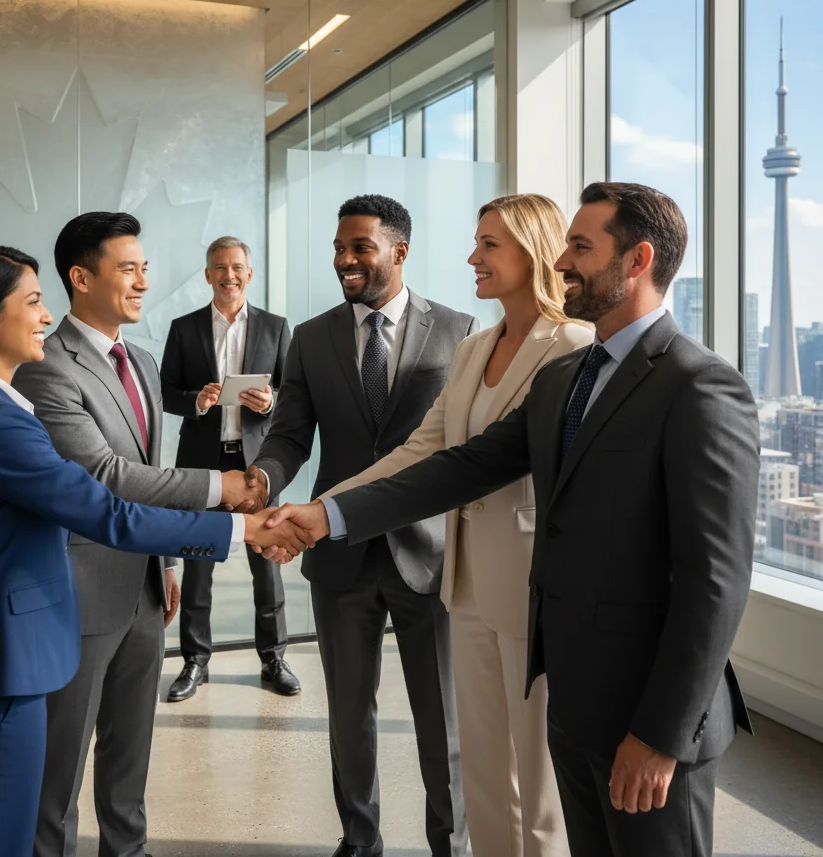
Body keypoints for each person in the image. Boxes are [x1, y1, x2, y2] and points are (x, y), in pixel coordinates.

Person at [266, 183, 760, 857]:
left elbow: (715, 579)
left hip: (646, 711)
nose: (563, 262)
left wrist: (663, 734)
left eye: (581, 247)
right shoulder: (569, 378)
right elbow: (459, 465)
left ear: (639, 260)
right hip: (572, 689)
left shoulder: (700, 384)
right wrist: (327, 516)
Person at [0, 242, 309, 857]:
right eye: (34, 301)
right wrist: (244, 528)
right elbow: (107, 510)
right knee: (4, 838)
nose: (45, 316)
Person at [319, 195, 590, 857]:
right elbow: (418, 451)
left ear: (532, 250)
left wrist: (320, 514)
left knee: (539, 785)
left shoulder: (574, 346)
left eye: (489, 244)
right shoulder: (474, 349)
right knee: (487, 777)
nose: (473, 257)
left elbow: (486, 464)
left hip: (534, 592)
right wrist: (319, 511)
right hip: (465, 585)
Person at [10, 214, 265, 857]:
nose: (143, 281)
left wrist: (169, 560)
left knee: (131, 752)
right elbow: (106, 476)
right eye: (128, 268)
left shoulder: (144, 360)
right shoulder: (46, 368)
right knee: (60, 765)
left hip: (146, 585)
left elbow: (148, 468)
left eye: (145, 268)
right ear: (80, 277)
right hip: (83, 589)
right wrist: (223, 490)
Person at [247, 194, 478, 857]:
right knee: (349, 715)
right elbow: (291, 435)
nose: (344, 260)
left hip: (429, 552)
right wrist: (264, 479)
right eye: (339, 248)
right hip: (338, 552)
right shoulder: (311, 337)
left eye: (360, 248)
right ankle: (359, 840)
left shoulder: (460, 331)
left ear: (399, 252)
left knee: (442, 719)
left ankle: (451, 846)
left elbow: (465, 446)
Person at [160, 235, 298, 701]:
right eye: (220, 267)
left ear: (249, 273)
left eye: (237, 267)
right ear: (208, 275)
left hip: (257, 464)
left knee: (267, 563)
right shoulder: (183, 328)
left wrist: (272, 401)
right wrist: (195, 401)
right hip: (202, 464)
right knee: (199, 565)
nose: (229, 275)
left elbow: (293, 396)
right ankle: (195, 662)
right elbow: (164, 392)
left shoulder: (277, 328)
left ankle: (273, 658)